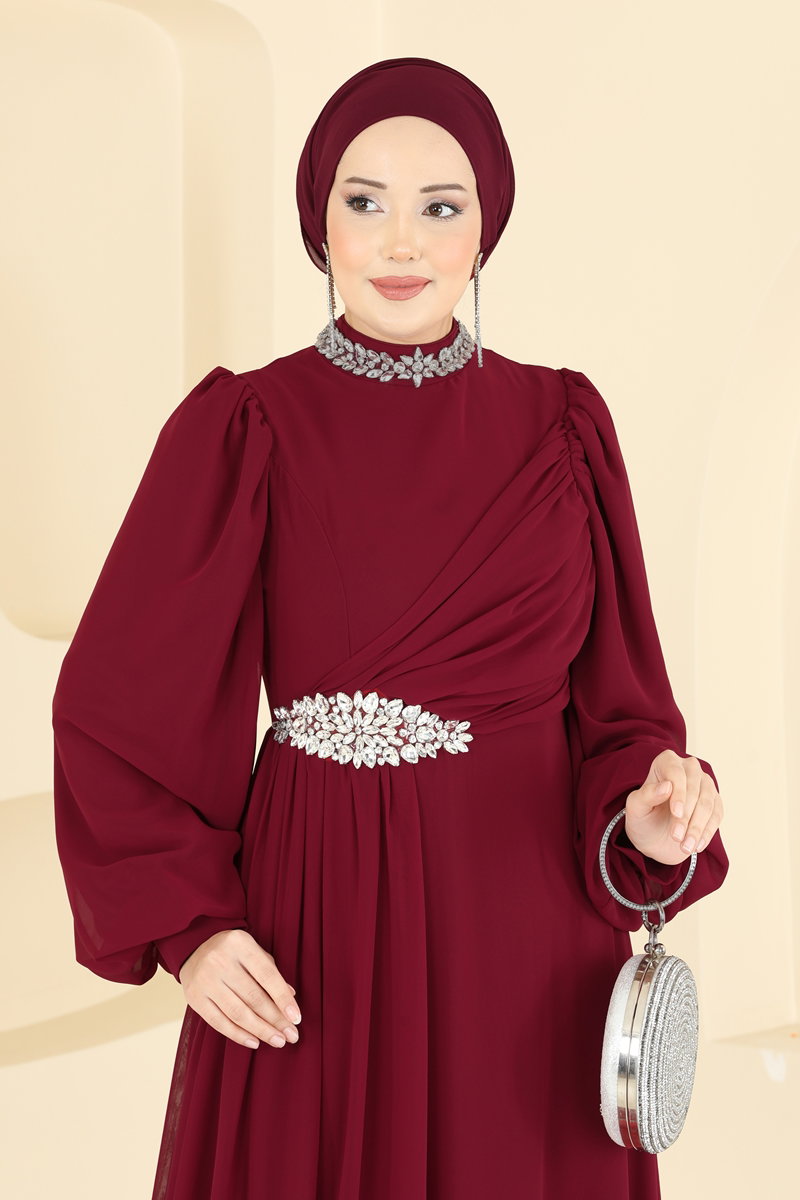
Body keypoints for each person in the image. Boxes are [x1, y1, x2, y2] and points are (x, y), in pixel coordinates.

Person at [51, 56, 729, 1200]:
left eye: (439, 207)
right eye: (364, 202)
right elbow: (119, 704)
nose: (401, 241)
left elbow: (623, 719)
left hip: (527, 944)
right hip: (318, 937)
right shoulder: (246, 427)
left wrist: (652, 816)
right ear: (317, 222)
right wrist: (190, 931)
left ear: (484, 229)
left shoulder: (564, 428)